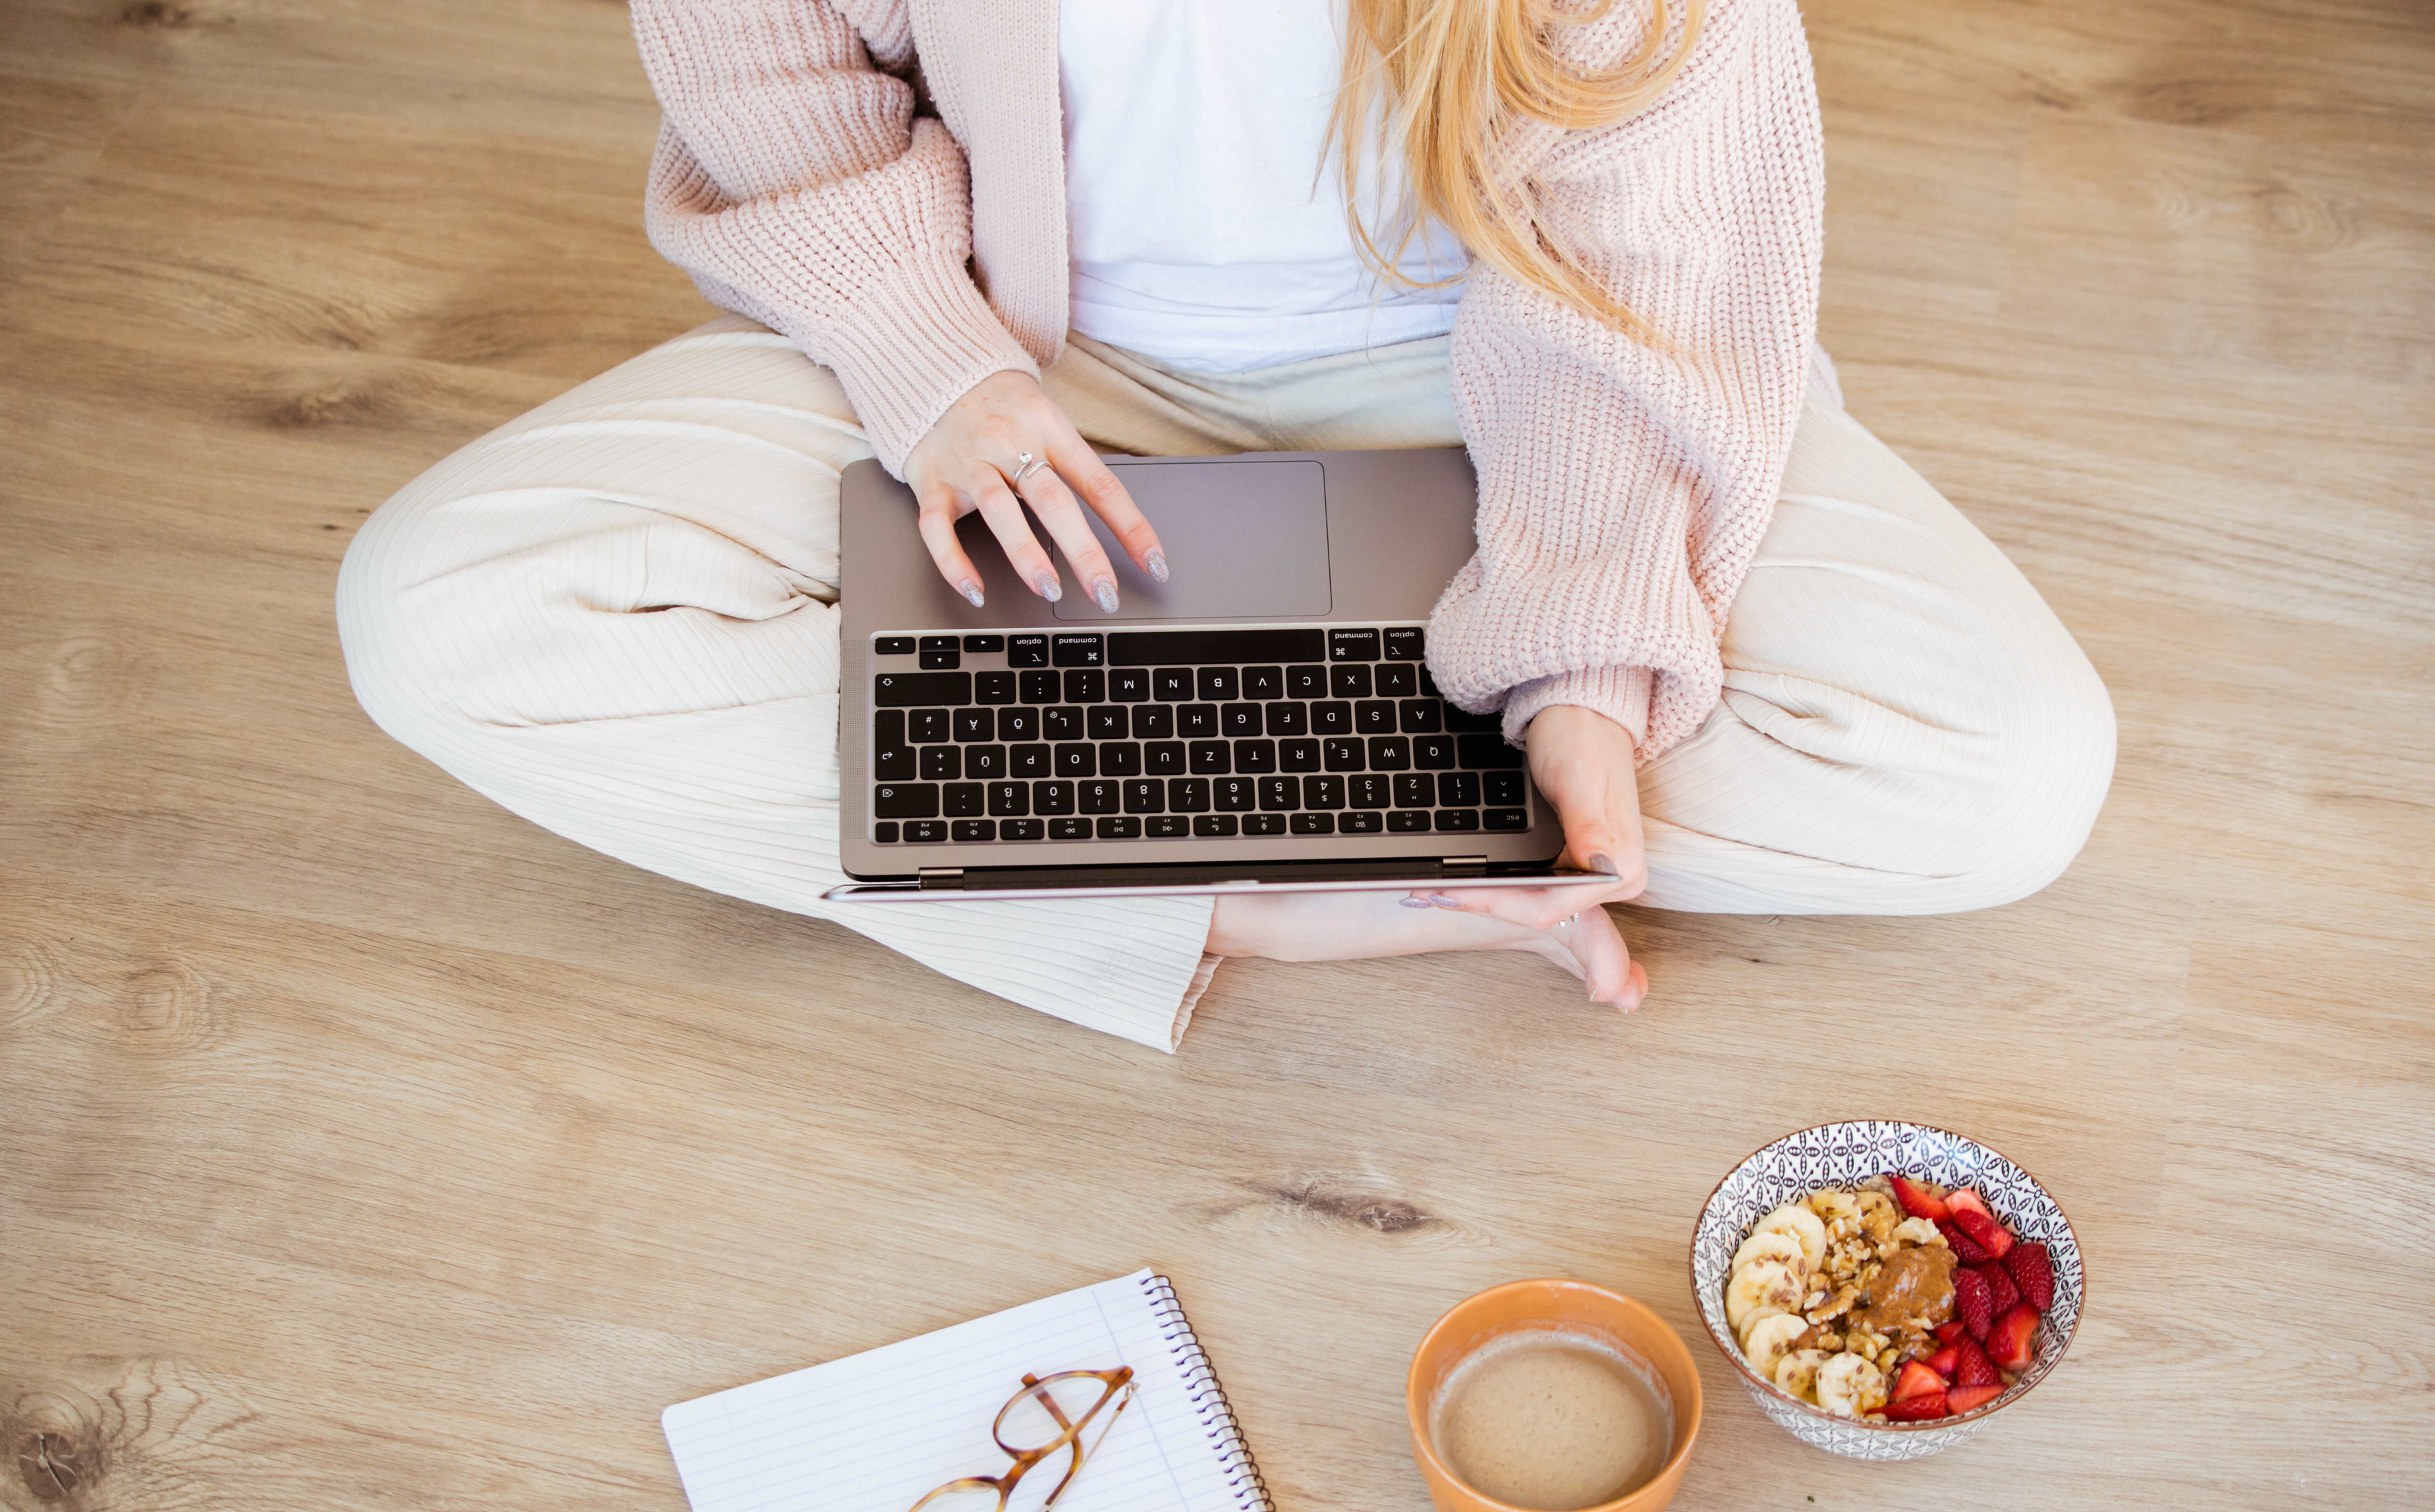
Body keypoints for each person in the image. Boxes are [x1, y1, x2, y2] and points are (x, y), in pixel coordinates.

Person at [336, 0, 2115, 1052]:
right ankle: (1261, 879)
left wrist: (1587, 659)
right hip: (1019, 356)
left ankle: (1183, 785)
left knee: (2007, 776)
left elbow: (1641, 243)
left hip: (1514, 378)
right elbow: (769, 71)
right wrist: (929, 362)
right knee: (445, 612)